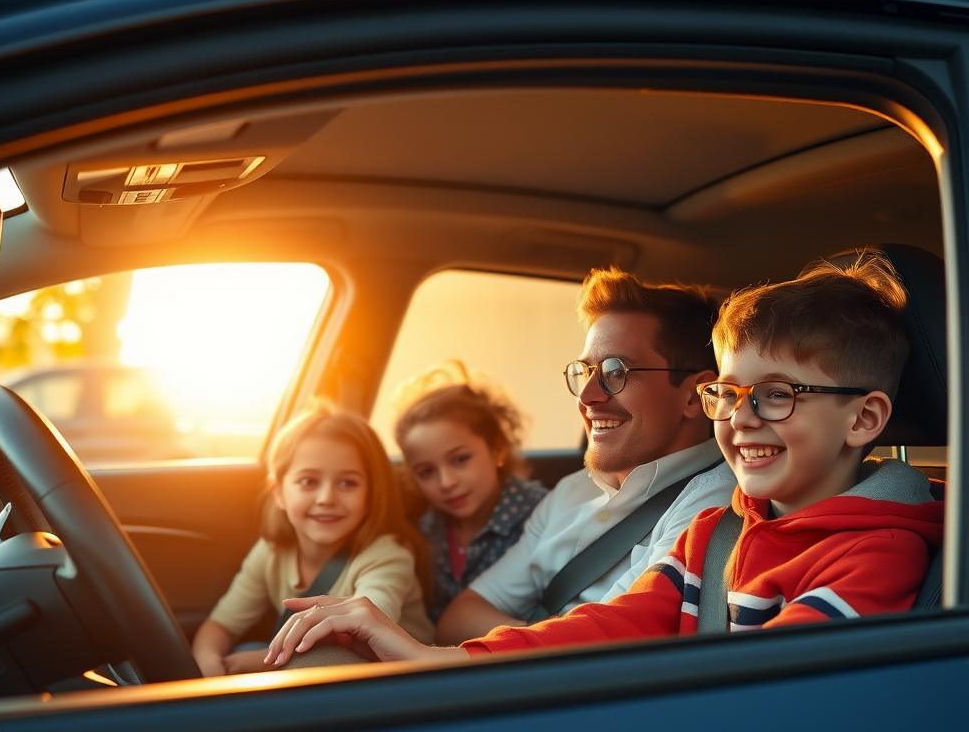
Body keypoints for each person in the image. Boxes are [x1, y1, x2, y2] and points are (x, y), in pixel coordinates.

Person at [263, 253, 943, 667]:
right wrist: (434, 657)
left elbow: (778, 696)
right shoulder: (722, 532)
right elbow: (611, 625)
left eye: (773, 396)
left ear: (864, 419)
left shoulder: (876, 550)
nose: (738, 417)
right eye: (728, 394)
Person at [432, 266, 736, 645]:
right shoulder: (571, 491)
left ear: (694, 395)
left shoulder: (715, 504)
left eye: (615, 371)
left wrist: (527, 637)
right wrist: (545, 637)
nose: (587, 395)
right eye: (585, 370)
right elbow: (460, 615)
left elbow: (606, 650)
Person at [192, 404, 432, 677]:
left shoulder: (388, 555)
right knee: (244, 647)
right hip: (316, 663)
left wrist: (260, 660)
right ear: (279, 492)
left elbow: (361, 630)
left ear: (371, 497)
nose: (326, 498)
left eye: (347, 483)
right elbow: (221, 625)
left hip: (394, 677)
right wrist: (207, 660)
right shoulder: (271, 551)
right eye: (308, 482)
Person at [393, 361, 547, 623]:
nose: (446, 482)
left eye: (460, 459)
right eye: (426, 472)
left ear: (497, 449)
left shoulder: (542, 515)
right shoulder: (425, 529)